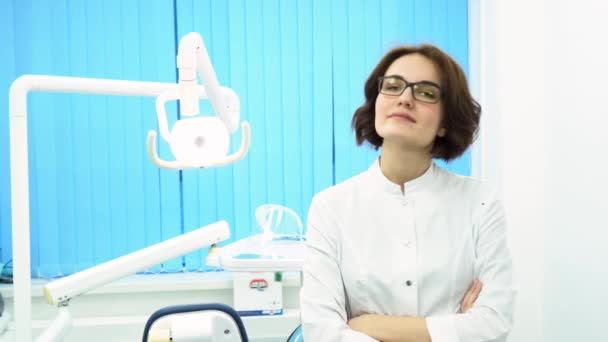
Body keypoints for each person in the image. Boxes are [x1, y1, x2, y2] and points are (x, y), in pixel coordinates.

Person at [299, 44, 516, 342]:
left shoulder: (479, 203)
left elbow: (493, 323)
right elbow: (321, 332)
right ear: (377, 102)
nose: (404, 98)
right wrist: (452, 328)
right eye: (392, 86)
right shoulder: (331, 207)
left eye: (425, 92)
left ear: (445, 122)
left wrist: (367, 325)